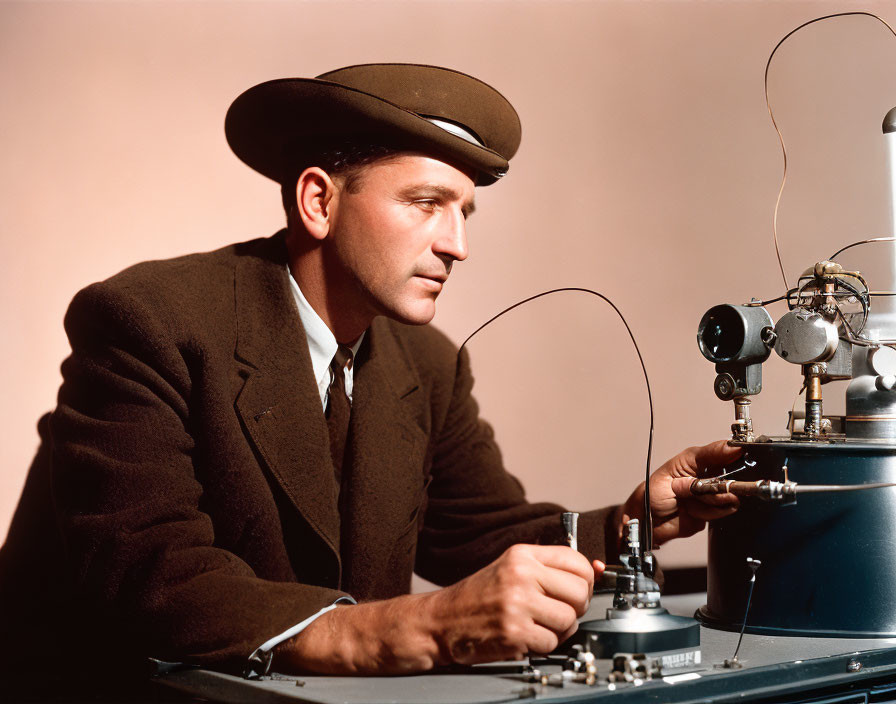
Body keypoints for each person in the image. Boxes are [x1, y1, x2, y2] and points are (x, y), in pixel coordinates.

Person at [0, 64, 739, 684]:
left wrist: (631, 524)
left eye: (465, 215)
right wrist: (412, 628)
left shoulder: (429, 362)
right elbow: (154, 578)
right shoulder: (148, 321)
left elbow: (474, 533)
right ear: (318, 200)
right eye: (425, 204)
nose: (456, 246)